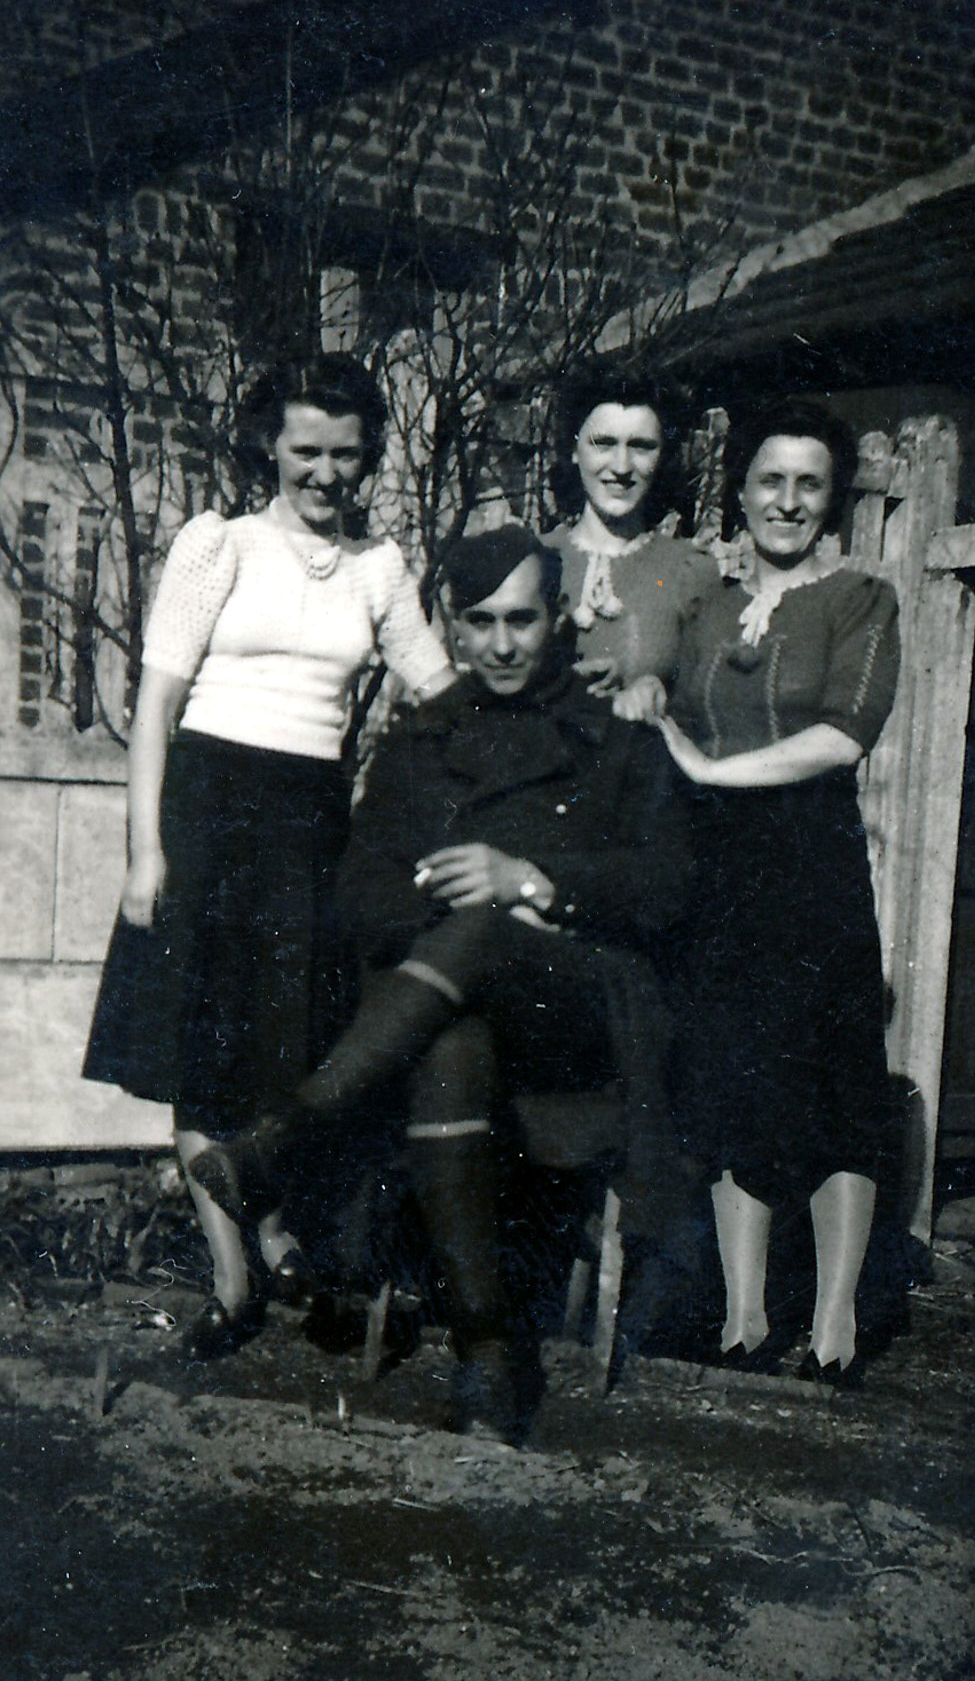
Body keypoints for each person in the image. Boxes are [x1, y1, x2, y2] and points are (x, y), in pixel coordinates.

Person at [187, 526, 692, 1433]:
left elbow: (668, 886)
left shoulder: (614, 737)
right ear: (451, 627)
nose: (501, 645)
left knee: (487, 926)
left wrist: (531, 882)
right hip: (445, 1016)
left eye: (521, 621)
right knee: (452, 1044)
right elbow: (358, 894)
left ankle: (288, 1138)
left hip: (578, 1016)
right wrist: (445, 903)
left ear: (559, 618)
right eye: (480, 623)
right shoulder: (420, 746)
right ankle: (486, 1360)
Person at [83, 353, 453, 1357]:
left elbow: (440, 694)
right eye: (306, 451)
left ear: (368, 455)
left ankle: (280, 1236)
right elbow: (156, 706)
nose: (326, 473)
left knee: (288, 1056)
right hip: (207, 814)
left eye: (346, 454)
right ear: (270, 448)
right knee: (199, 1057)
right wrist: (145, 852)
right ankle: (233, 1279)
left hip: (308, 829)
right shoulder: (221, 545)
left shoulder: (379, 567)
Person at [649, 399, 901, 1386]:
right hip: (715, 867)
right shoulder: (706, 602)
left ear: (831, 498)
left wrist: (711, 772)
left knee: (833, 1082)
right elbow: (656, 694)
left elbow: (845, 733)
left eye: (808, 483)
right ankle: (743, 1316)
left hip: (810, 862)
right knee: (729, 1072)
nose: (787, 501)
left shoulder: (860, 598)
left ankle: (834, 1325)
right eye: (769, 480)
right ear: (741, 489)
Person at [543, 368, 719, 703]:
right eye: (604, 444)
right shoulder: (535, 558)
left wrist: (656, 694)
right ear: (574, 449)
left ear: (662, 456)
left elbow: (705, 705)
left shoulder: (690, 571)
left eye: (641, 447)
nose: (622, 466)